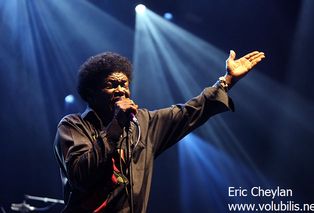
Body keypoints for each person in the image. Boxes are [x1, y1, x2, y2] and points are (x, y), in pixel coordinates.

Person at [54, 50, 265, 212]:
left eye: (124, 84)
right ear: (91, 94)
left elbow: (188, 112)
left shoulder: (142, 123)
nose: (121, 90)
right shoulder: (73, 125)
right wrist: (116, 125)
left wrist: (227, 81)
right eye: (111, 85)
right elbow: (80, 176)